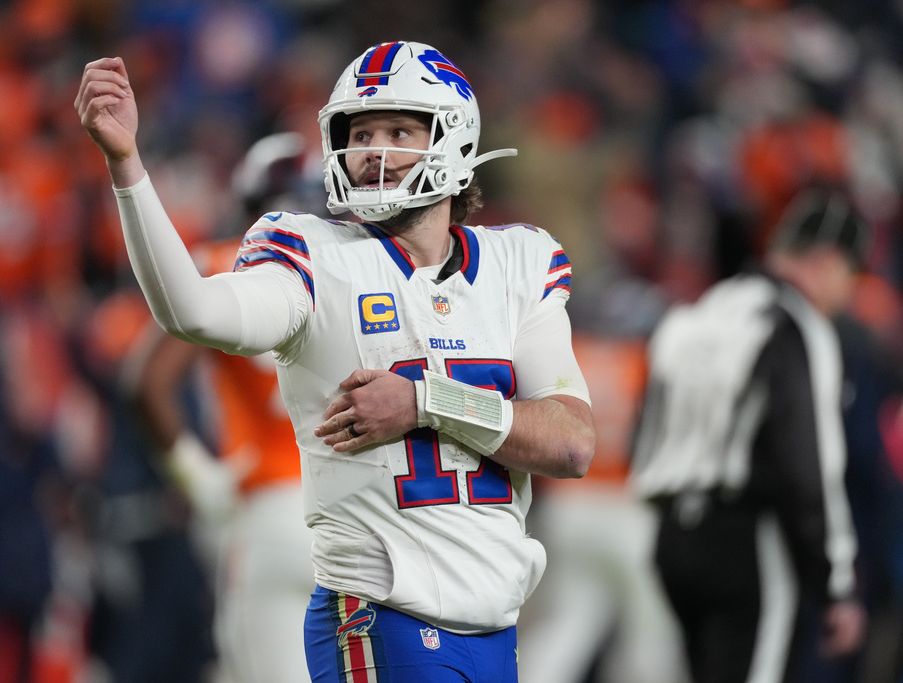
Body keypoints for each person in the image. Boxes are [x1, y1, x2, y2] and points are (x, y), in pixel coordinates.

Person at [75, 40, 595, 682]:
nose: (373, 151)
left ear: (453, 138)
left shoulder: (519, 264)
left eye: (399, 130)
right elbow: (191, 311)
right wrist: (128, 165)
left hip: (493, 628)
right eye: (361, 133)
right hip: (384, 616)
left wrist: (428, 400)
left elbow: (572, 445)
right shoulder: (315, 258)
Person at [630, 187, 869, 683]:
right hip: (745, 539)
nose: (848, 293)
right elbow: (809, 463)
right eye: (851, 274)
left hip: (672, 537)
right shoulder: (796, 325)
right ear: (827, 261)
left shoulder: (703, 310)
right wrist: (836, 583)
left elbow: (645, 431)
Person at [126, 131, 325, 683]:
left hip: (267, 508)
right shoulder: (368, 274)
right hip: (358, 512)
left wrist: (198, 478)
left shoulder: (225, 262)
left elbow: (146, 382)